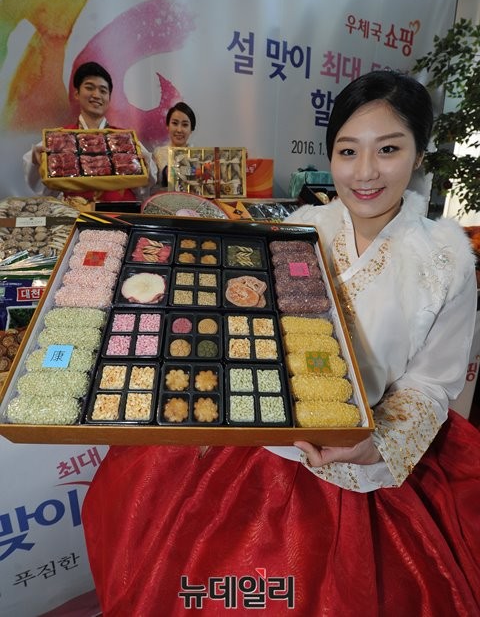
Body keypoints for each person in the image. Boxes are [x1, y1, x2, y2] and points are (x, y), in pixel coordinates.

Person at [81, 71, 480, 616]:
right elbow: (245, 320)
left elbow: (432, 381)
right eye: (348, 151)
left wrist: (378, 442)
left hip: (364, 465)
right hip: (260, 438)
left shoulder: (447, 259)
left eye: (388, 149)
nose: (365, 171)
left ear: (418, 155)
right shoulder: (301, 227)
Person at [23, 61, 157, 202]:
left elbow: (144, 189)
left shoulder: (125, 139)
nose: (96, 95)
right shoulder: (60, 139)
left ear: (109, 98)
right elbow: (46, 189)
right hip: (76, 213)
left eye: (103, 91)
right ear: (76, 93)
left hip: (119, 213)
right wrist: (36, 160)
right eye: (89, 88)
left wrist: (145, 166)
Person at [152, 101, 196, 187]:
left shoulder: (198, 157)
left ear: (191, 129)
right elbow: (151, 185)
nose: (179, 130)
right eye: (175, 123)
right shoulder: (158, 154)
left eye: (185, 125)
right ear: (167, 126)